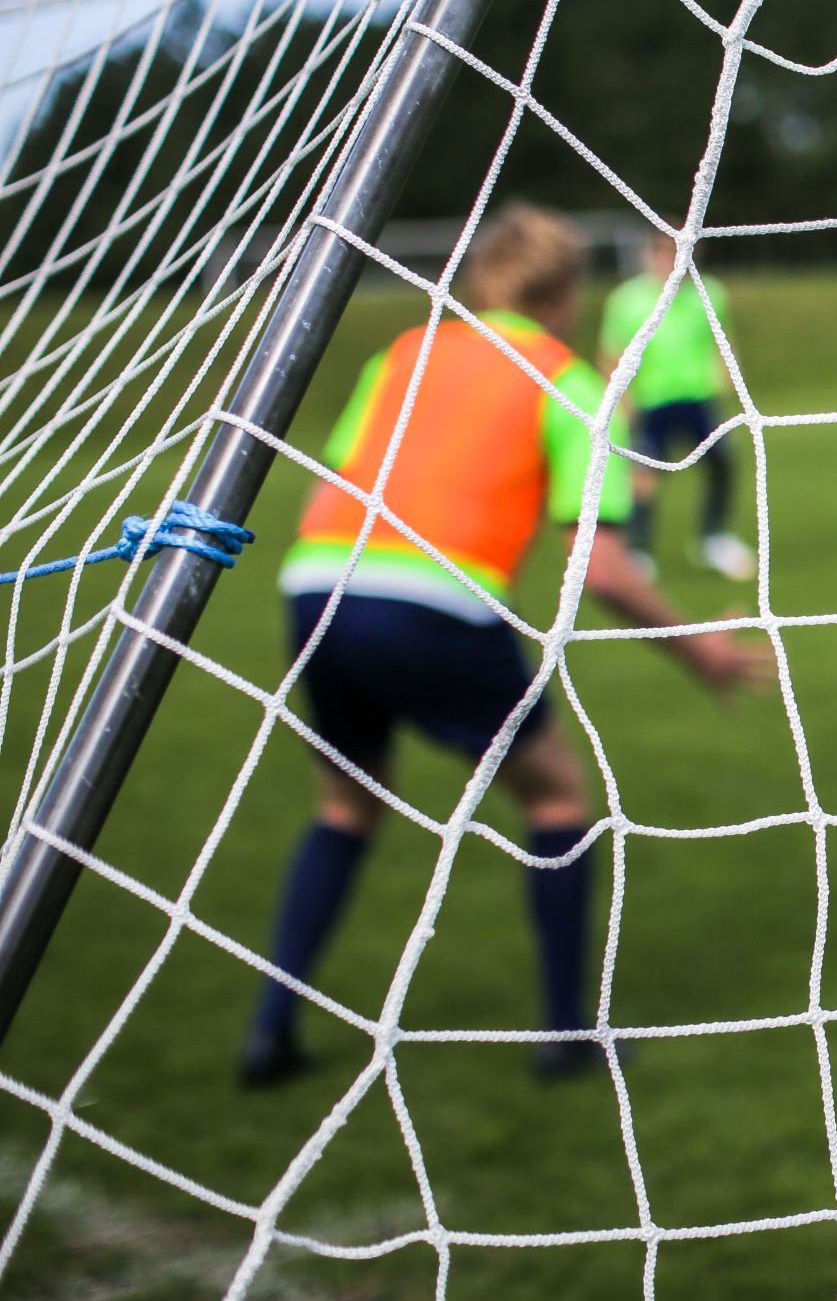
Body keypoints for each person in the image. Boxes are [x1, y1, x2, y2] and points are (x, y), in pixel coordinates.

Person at [244, 206, 772, 1088]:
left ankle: (271, 1031)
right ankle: (566, 1036)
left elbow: (324, 491)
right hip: (434, 601)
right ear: (566, 292)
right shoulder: (565, 379)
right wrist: (700, 651)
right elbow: (598, 567)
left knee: (345, 805)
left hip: (315, 588)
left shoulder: (407, 352)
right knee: (559, 796)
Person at [598, 231, 754, 581]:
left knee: (722, 464)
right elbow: (610, 354)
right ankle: (639, 553)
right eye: (665, 255)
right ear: (650, 257)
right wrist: (622, 400)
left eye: (680, 255)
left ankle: (714, 539)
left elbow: (720, 340)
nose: (673, 263)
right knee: (643, 479)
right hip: (650, 402)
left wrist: (727, 378)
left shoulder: (709, 292)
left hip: (699, 398)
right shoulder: (626, 300)